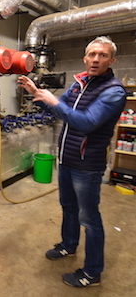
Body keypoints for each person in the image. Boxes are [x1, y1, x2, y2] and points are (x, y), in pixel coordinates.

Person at [17, 36, 126, 288]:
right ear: (85, 58)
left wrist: (54, 101)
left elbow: (86, 122)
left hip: (87, 165)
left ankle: (92, 272)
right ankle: (68, 245)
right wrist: (37, 94)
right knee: (68, 207)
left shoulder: (114, 91)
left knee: (89, 218)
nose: (95, 59)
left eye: (102, 55)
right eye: (91, 54)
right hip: (65, 158)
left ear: (111, 60)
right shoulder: (79, 84)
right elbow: (59, 110)